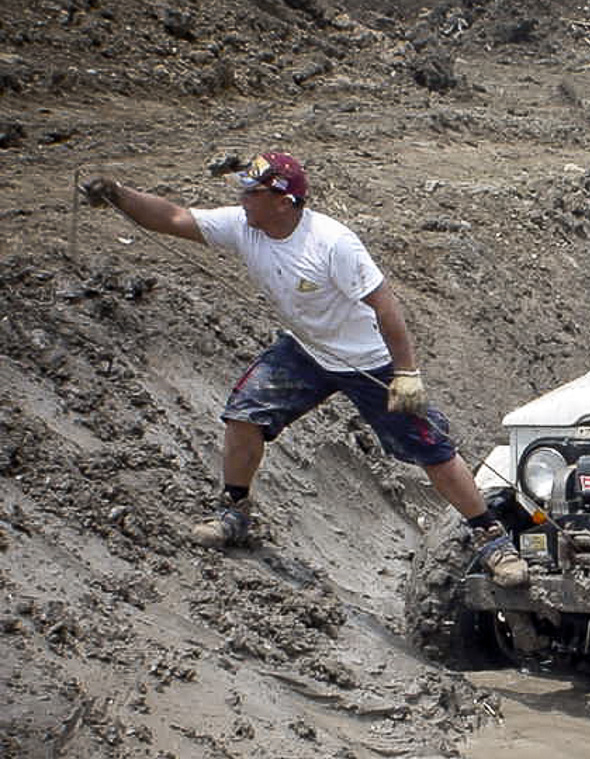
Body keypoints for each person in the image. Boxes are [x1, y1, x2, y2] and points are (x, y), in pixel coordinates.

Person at [79, 152, 528, 587]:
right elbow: (175, 218)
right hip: (305, 351)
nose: (243, 200)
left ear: (283, 201)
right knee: (244, 413)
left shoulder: (332, 243)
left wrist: (406, 373)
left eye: (253, 193)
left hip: (367, 360)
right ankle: (234, 511)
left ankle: (490, 537)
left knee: (431, 448)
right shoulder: (244, 226)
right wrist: (119, 194)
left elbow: (385, 305)